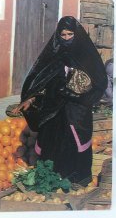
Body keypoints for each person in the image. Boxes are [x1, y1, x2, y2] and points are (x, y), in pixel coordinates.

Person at [12, 16, 107, 185]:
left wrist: (82, 97)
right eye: (62, 35)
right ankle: (51, 178)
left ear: (76, 34)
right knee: (51, 141)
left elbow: (99, 83)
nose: (66, 38)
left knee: (75, 141)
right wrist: (31, 98)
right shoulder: (54, 54)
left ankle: (78, 179)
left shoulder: (88, 56)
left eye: (70, 34)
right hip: (54, 109)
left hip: (77, 109)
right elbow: (42, 80)